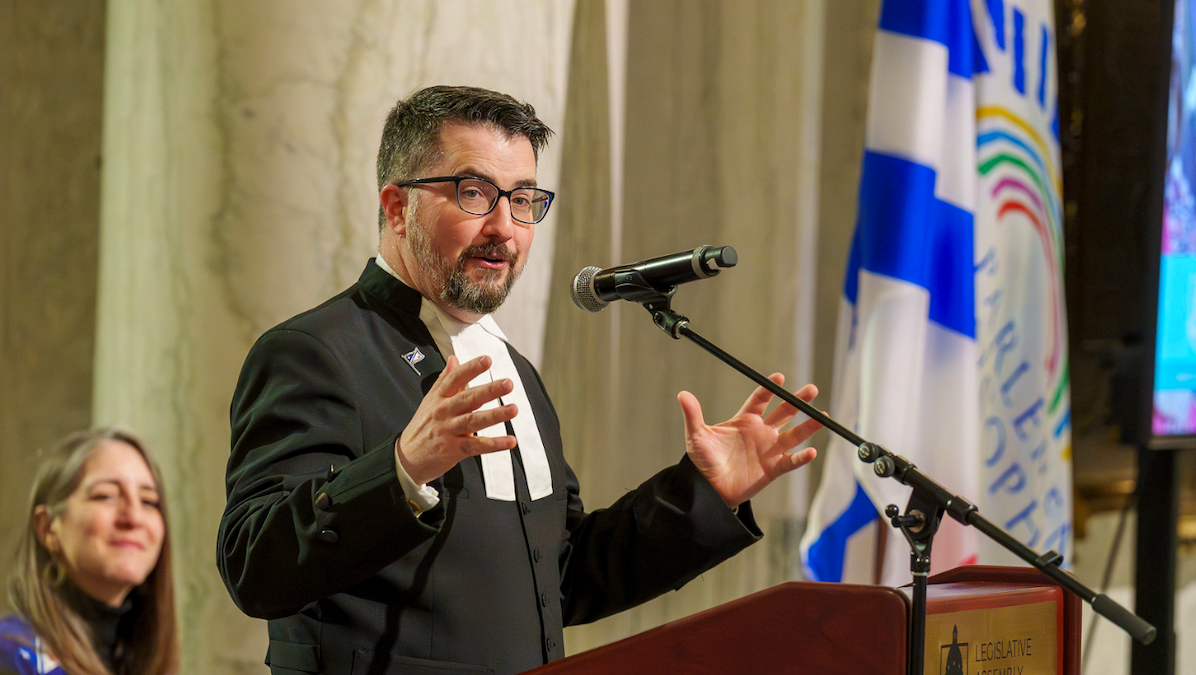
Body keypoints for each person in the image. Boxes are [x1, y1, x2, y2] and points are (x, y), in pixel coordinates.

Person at [218, 84, 822, 675]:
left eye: (524, 200)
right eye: (475, 194)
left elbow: (559, 579)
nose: (504, 228)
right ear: (398, 208)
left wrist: (703, 495)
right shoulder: (315, 352)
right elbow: (254, 566)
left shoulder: (516, 371)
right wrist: (402, 468)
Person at [0, 427, 179, 675]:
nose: (134, 517)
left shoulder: (140, 659)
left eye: (148, 501)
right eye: (105, 496)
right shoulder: (12, 657)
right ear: (48, 528)